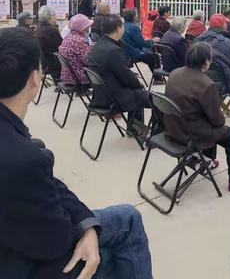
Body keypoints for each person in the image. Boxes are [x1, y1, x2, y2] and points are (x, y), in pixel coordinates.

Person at [0, 27, 153, 279]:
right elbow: (55, 240)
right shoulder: (23, 158)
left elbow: (44, 182)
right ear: (34, 79)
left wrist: (87, 224)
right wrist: (82, 232)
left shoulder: (24, 149)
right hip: (23, 263)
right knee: (128, 221)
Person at [164, 43, 230, 192]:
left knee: (206, 122)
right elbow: (217, 120)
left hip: (173, 128)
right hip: (191, 134)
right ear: (206, 62)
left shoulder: (175, 73)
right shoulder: (206, 84)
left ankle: (208, 162)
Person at [88, 14, 153, 133]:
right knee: (150, 97)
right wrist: (140, 87)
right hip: (111, 97)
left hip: (100, 94)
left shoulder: (98, 45)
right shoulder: (113, 50)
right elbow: (126, 77)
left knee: (138, 90)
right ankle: (146, 130)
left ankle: (135, 127)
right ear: (118, 29)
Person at [196, 14, 230, 114]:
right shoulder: (224, 41)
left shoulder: (198, 40)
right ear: (222, 26)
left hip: (203, 79)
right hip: (223, 82)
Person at [58, 14, 93, 89]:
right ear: (83, 28)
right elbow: (89, 61)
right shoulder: (79, 41)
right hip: (79, 77)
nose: (89, 28)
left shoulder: (67, 38)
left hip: (67, 76)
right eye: (87, 26)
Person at [34, 5, 63, 79]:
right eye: (55, 15)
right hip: (53, 63)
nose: (56, 17)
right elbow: (61, 47)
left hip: (43, 61)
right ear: (50, 17)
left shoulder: (38, 28)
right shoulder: (52, 30)